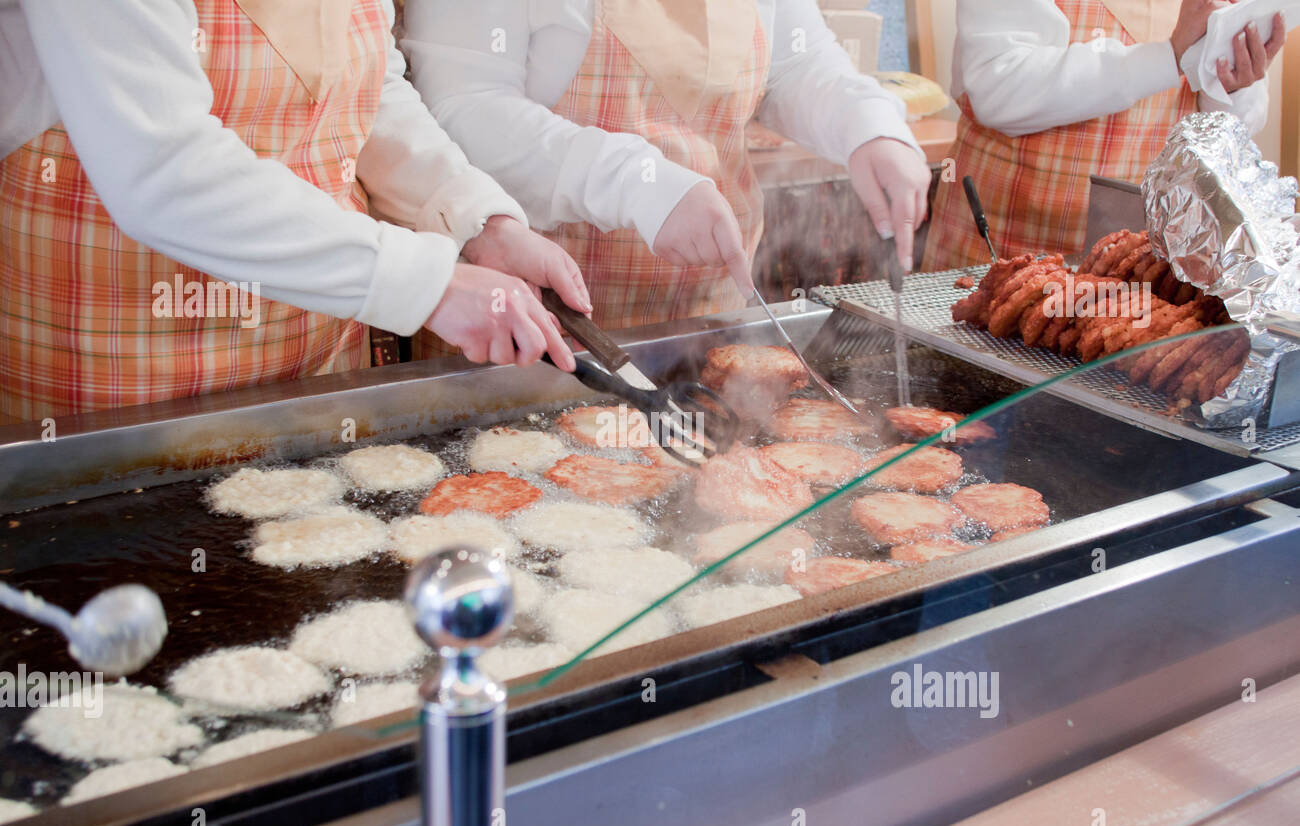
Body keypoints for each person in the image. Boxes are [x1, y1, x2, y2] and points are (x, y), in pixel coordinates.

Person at [0, 0, 586, 423]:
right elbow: (163, 167)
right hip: (120, 383)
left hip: (313, 363)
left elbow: (366, 89)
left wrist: (475, 222)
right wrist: (430, 284)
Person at [400, 0, 933, 338]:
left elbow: (795, 62)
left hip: (709, 315)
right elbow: (459, 107)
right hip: (529, 319)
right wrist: (637, 184)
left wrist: (868, 125)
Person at [922, 0, 1286, 272]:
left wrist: (1232, 86)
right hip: (1001, 252)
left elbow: (1236, 126)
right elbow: (998, 88)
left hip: (1136, 264)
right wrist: (1166, 57)